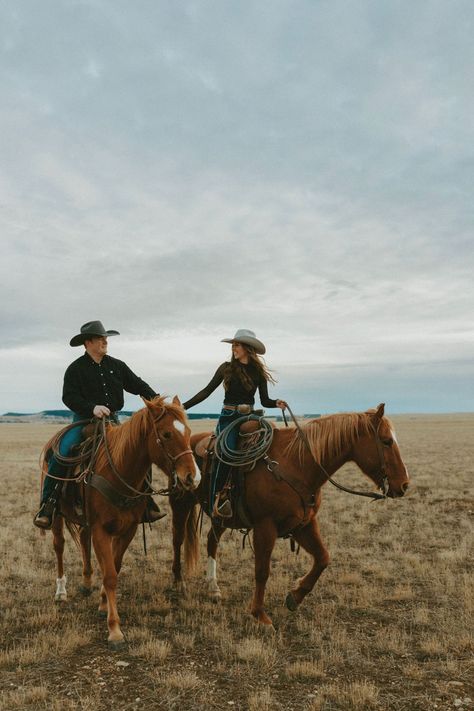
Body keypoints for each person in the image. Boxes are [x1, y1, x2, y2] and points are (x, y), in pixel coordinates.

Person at [33, 320, 165, 529]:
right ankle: (48, 505)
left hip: (113, 422)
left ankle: (146, 501)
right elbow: (69, 397)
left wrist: (157, 400)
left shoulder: (117, 366)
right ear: (88, 343)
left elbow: (138, 384)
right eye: (100, 338)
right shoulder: (75, 369)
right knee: (62, 452)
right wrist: (91, 407)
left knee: (140, 450)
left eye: (105, 338)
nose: (105, 341)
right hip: (84, 421)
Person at [183, 329, 287, 517]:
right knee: (226, 451)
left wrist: (275, 403)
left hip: (251, 417)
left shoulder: (258, 373)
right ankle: (217, 497)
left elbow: (264, 400)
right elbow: (206, 391)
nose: (233, 348)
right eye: (233, 345)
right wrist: (183, 407)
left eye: (237, 345)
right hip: (229, 417)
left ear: (247, 348)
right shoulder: (226, 368)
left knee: (273, 438)